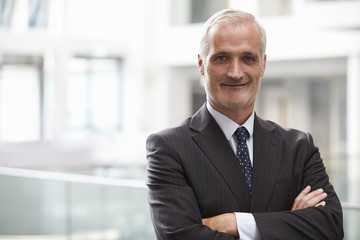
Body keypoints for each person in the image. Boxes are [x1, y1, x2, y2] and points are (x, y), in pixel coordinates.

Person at [146, 9, 344, 240]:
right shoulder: (168, 147)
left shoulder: (299, 146)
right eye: (222, 58)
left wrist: (235, 222)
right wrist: (290, 224)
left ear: (263, 65)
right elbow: (179, 236)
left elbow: (330, 226)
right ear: (201, 65)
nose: (235, 72)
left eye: (248, 58)